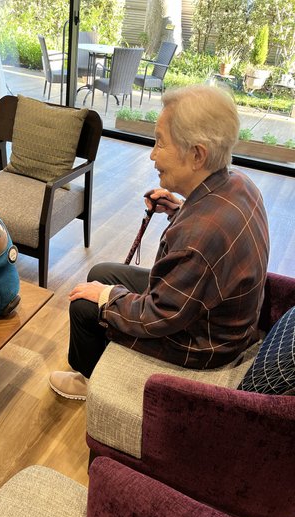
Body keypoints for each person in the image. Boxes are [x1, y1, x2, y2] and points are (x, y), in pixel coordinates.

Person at [49, 84, 270, 401]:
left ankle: (90, 381)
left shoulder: (197, 237)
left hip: (203, 344)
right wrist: (179, 210)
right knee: (101, 273)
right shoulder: (240, 183)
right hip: (215, 316)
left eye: (160, 143)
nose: (152, 155)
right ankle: (97, 358)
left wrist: (108, 298)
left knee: (85, 304)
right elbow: (206, 247)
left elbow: (160, 315)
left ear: (197, 155)